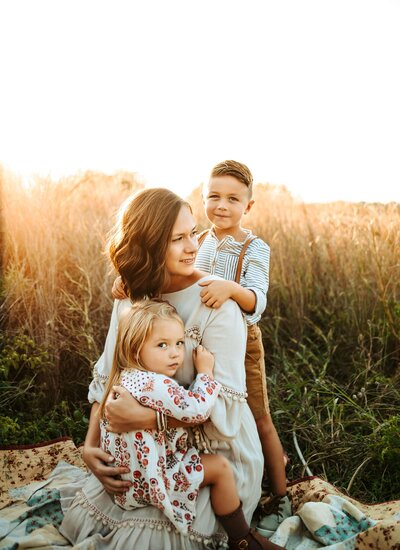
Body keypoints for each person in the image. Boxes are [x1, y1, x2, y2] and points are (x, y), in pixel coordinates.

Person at [60, 188, 284, 550]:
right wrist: (90, 446)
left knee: (147, 539)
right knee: (100, 511)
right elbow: (109, 375)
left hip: (212, 452)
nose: (193, 247)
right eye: (177, 239)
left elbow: (225, 414)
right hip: (144, 451)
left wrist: (147, 420)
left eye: (193, 233)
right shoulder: (131, 296)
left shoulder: (217, 304)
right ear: (147, 245)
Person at [99, 298, 261, 540]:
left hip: (126, 481)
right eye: (162, 345)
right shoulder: (157, 384)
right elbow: (197, 411)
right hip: (154, 478)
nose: (175, 353)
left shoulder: (125, 378)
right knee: (220, 468)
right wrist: (205, 373)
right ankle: (241, 538)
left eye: (179, 343)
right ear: (135, 349)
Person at [195, 160, 289, 524]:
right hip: (199, 341)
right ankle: (225, 486)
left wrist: (232, 288)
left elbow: (256, 300)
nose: (221, 205)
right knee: (208, 414)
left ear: (248, 206)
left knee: (257, 414)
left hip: (242, 343)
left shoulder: (254, 247)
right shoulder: (197, 241)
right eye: (213, 196)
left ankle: (281, 497)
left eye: (233, 199)